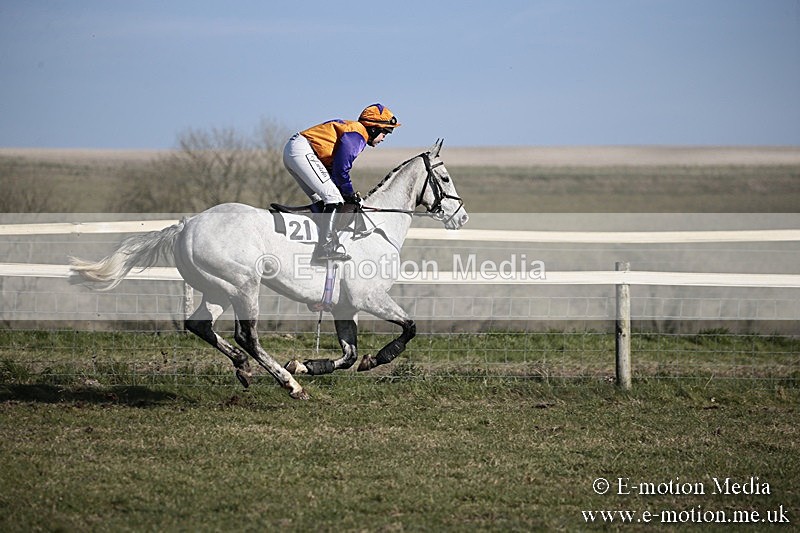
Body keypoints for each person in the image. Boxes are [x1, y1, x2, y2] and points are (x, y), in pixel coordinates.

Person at [283, 103, 401, 264]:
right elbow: (340, 170)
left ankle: (311, 243)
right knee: (334, 199)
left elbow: (335, 171)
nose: (385, 137)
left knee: (323, 201)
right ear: (373, 129)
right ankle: (325, 248)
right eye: (385, 132)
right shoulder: (357, 135)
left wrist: (347, 193)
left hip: (297, 150)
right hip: (302, 151)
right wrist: (349, 194)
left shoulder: (354, 131)